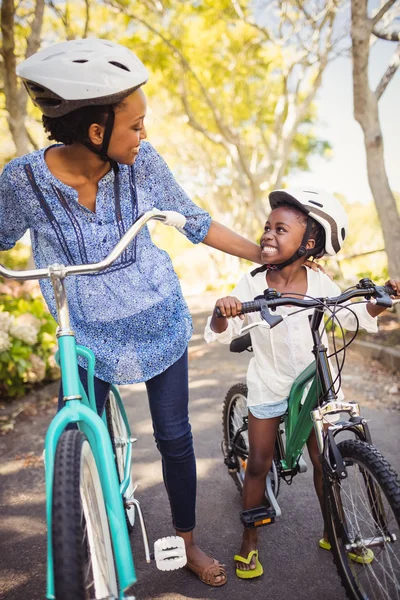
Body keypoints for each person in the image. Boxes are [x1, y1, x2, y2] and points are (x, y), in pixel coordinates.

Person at [0, 37, 270, 586]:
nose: (144, 134)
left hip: (155, 317)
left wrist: (265, 254)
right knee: (74, 440)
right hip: (85, 329)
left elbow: (195, 223)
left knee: (174, 436)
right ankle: (83, 556)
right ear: (94, 129)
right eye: (135, 124)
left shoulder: (143, 166)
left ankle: (188, 544)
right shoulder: (22, 181)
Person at [204, 187, 400, 579]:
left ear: (308, 243)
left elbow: (353, 314)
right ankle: (249, 540)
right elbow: (220, 330)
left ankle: (335, 529)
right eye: (267, 227)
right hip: (271, 383)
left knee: (323, 460)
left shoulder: (320, 282)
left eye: (281, 229)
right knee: (258, 463)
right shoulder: (252, 282)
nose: (267, 235)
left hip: (315, 385)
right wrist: (224, 310)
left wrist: (383, 297)